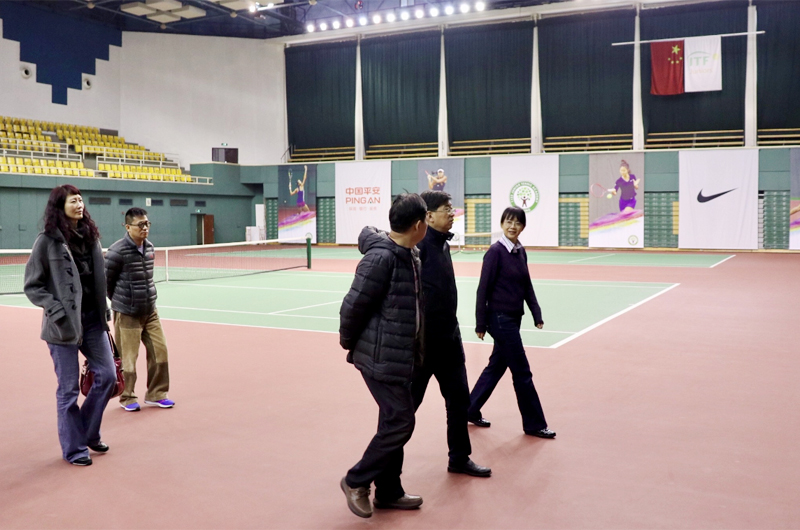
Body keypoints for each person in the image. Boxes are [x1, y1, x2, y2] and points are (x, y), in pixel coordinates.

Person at [339, 194, 428, 519]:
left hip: (400, 355)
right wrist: (350, 343)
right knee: (402, 421)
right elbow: (353, 306)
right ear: (418, 225)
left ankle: (389, 490)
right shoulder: (381, 259)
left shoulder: (410, 255)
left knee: (391, 420)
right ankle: (356, 480)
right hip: (379, 356)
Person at [24, 185, 116, 466]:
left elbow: (98, 280)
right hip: (62, 326)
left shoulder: (91, 237)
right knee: (68, 391)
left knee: (108, 376)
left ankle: (86, 432)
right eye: (72, 201)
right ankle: (74, 449)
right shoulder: (47, 241)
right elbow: (33, 285)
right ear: (59, 207)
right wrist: (56, 310)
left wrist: (104, 309)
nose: (79, 204)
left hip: (93, 322)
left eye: (80, 200)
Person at [412, 190, 491, 478]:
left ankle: (459, 458)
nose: (452, 213)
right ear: (429, 215)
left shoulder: (443, 244)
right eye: (446, 208)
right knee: (405, 410)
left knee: (459, 401)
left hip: (449, 341)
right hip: (423, 346)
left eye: (451, 207)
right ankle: (383, 470)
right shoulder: (418, 249)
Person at [467, 207, 555, 439]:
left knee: (496, 367)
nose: (512, 226)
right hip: (499, 319)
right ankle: (534, 424)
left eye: (517, 222)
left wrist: (536, 312)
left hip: (514, 319)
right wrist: (480, 323)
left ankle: (469, 409)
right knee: (522, 372)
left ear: (523, 226)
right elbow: (482, 289)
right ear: (502, 224)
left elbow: (526, 284)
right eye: (508, 221)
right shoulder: (495, 252)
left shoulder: (520, 251)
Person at [105, 207, 174, 412]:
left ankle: (156, 394)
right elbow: (106, 283)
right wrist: (121, 302)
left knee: (160, 353)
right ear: (128, 227)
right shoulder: (116, 251)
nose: (145, 228)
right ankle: (127, 397)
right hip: (127, 313)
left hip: (150, 311)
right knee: (128, 360)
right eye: (140, 224)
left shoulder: (150, 248)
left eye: (147, 224)